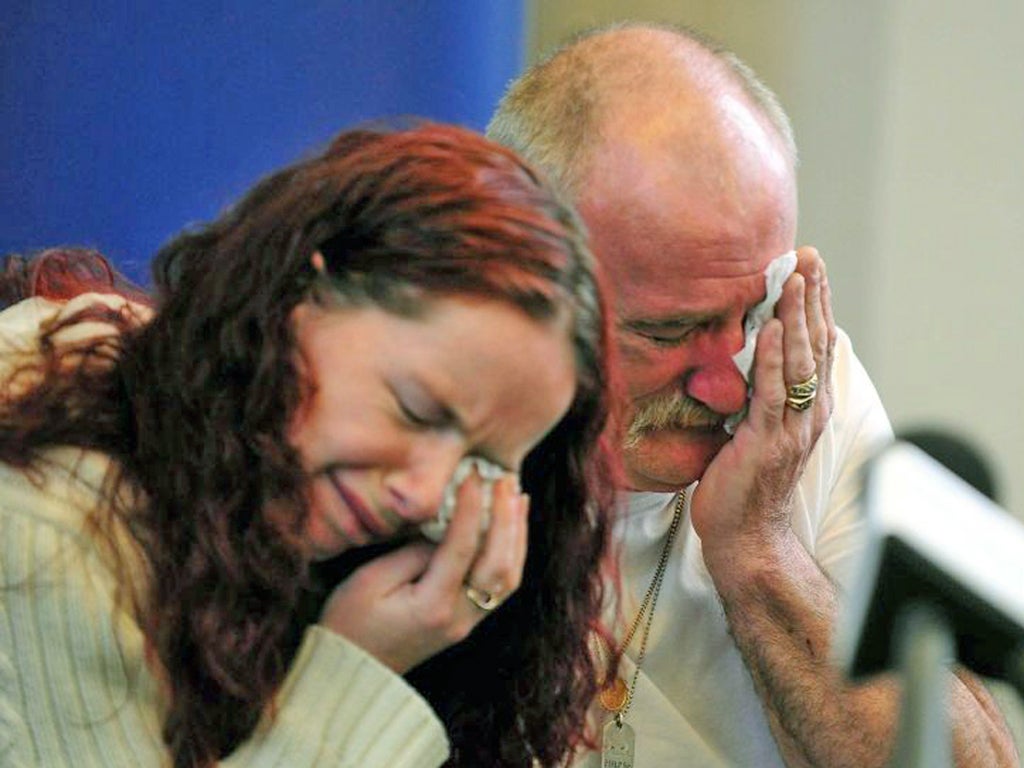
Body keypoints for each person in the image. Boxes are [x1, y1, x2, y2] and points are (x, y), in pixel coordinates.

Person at [0, 123, 620, 767]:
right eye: (415, 409)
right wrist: (357, 677)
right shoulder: (43, 519)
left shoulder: (234, 472)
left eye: (482, 465)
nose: (425, 493)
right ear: (300, 291)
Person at [488, 22, 1018, 767]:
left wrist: (758, 550)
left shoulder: (795, 387)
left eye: (751, 311)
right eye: (669, 332)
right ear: (525, 276)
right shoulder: (420, 411)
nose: (728, 381)